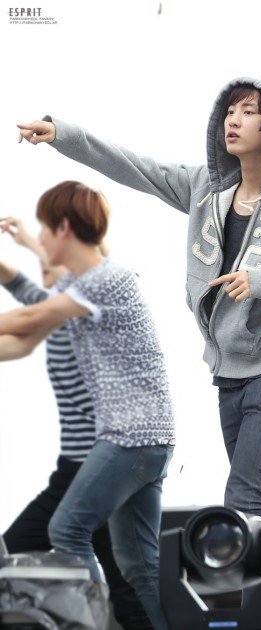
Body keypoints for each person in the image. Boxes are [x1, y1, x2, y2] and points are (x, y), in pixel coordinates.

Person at [16, 78, 261, 629]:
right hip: (230, 379)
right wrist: (64, 135)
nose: (234, 120)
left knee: (244, 505)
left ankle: (249, 624)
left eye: (250, 111)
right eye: (231, 110)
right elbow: (137, 168)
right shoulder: (206, 190)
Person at [0, 181, 175, 630]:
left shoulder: (105, 280)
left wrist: (26, 249)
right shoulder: (81, 286)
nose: (39, 238)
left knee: (66, 531)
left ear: (62, 228)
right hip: (146, 441)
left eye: (43, 229)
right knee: (138, 567)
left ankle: (88, 622)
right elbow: (27, 329)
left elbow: (29, 315)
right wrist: (26, 250)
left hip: (128, 439)